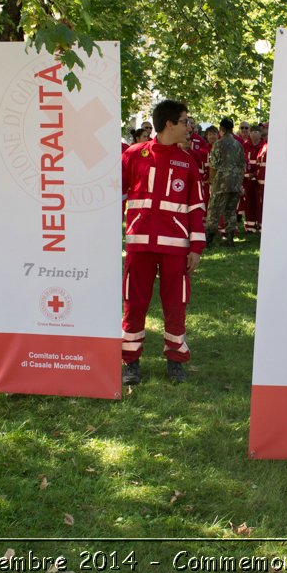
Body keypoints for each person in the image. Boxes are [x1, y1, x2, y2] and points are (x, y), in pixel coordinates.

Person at [120, 100, 206, 385]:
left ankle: (175, 360)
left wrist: (196, 248)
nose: (188, 126)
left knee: (176, 304)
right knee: (134, 303)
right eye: (184, 121)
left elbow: (196, 208)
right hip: (139, 246)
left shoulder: (188, 162)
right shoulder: (133, 155)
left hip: (175, 249)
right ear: (169, 123)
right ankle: (130, 361)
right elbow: (113, 197)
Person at [205, 117, 246, 247]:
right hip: (234, 183)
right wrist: (239, 183)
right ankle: (230, 239)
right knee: (231, 211)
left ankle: (209, 240)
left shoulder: (217, 144)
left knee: (214, 212)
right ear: (232, 129)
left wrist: (211, 183)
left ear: (221, 129)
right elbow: (242, 166)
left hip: (220, 183)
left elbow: (213, 166)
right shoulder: (238, 145)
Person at [244, 125, 266, 233]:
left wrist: (255, 174)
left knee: (260, 203)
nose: (254, 134)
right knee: (249, 203)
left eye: (256, 132)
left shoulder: (264, 147)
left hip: (259, 181)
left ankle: (260, 225)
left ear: (260, 134)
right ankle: (250, 226)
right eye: (252, 132)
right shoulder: (245, 146)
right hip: (247, 181)